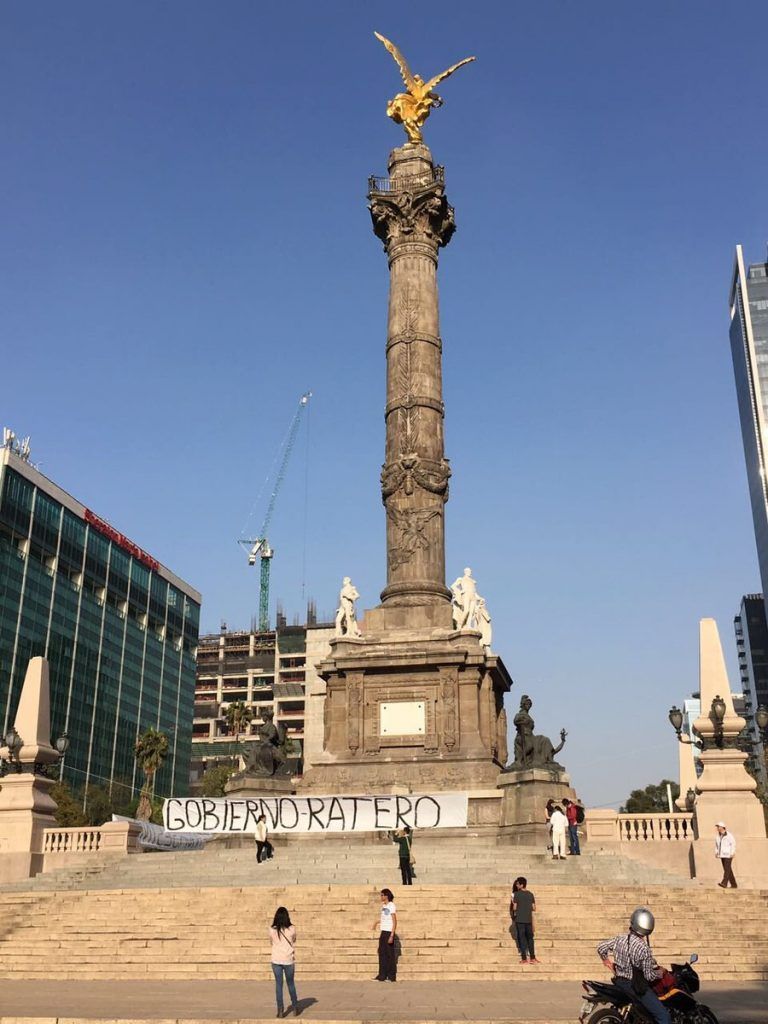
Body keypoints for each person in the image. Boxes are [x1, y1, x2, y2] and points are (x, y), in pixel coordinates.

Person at [596, 906, 669, 1024]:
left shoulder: (620, 939)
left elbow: (601, 947)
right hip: (634, 986)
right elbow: (649, 976)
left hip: (619, 981)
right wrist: (661, 973)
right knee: (663, 1016)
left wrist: (606, 961)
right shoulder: (644, 949)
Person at [270, 906, 298, 1018]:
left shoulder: (272, 929)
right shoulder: (292, 928)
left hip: (276, 959)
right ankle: (295, 1006)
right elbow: (294, 940)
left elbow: (271, 942)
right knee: (291, 984)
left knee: (279, 985)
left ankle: (280, 1010)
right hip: (288, 959)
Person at [510, 876, 539, 964]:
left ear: (522, 885)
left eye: (518, 884)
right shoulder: (530, 894)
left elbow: (515, 908)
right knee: (530, 939)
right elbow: (534, 908)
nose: (517, 885)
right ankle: (533, 958)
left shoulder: (517, 894)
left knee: (522, 939)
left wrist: (515, 904)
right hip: (528, 920)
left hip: (520, 920)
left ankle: (524, 959)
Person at [373, 888, 397, 981]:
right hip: (383, 931)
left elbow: (394, 921)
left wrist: (392, 935)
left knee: (389, 954)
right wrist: (376, 923)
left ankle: (391, 976)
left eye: (382, 895)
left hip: (389, 932)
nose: (381, 897)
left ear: (386, 896)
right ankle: (382, 975)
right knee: (382, 953)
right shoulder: (383, 906)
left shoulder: (391, 905)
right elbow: (384, 918)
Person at [715, 822, 737, 888]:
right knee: (728, 869)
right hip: (722, 855)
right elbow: (717, 845)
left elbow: (733, 844)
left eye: (718, 826)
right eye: (717, 827)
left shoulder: (729, 835)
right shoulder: (718, 836)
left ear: (722, 827)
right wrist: (716, 852)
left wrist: (732, 853)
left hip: (728, 855)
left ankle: (724, 883)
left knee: (727, 869)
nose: (717, 828)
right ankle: (734, 884)